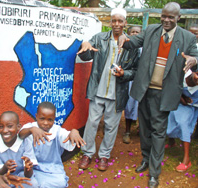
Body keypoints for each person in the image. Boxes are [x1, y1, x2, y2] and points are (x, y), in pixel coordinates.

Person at [118, 2, 198, 188]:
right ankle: (146, 160)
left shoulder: (187, 37)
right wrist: (124, 38)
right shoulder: (152, 30)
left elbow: (195, 55)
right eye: (164, 16)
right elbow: (133, 42)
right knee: (145, 130)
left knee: (158, 132)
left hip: (165, 93)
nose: (166, 20)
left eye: (171, 17)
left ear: (178, 18)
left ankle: (154, 172)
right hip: (145, 90)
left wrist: (194, 59)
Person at [76, 8, 140, 171]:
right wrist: (84, 44)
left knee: (112, 126)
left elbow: (135, 70)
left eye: (120, 21)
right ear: (110, 22)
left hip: (117, 94)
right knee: (92, 123)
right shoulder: (100, 38)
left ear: (125, 23)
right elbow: (85, 56)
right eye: (114, 20)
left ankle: (104, 155)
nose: (116, 24)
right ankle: (87, 153)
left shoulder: (131, 45)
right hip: (98, 91)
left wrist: (124, 73)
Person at [19, 101, 86, 188]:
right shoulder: (31, 127)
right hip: (33, 169)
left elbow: (67, 135)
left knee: (60, 183)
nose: (46, 123)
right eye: (42, 118)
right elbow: (21, 134)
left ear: (54, 119)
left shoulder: (57, 131)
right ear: (36, 116)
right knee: (30, 183)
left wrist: (74, 131)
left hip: (52, 169)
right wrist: (31, 129)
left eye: (50, 120)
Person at [0, 111, 39, 188]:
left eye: (9, 126)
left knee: (33, 184)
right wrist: (5, 167)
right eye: (1, 127)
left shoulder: (25, 142)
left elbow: (28, 175)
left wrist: (27, 167)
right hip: (4, 178)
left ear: (18, 127)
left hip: (21, 175)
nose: (5, 130)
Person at [123, 26, 142, 144]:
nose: (135, 34)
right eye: (132, 32)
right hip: (130, 80)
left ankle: (141, 128)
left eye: (137, 32)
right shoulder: (126, 47)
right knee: (130, 104)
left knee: (142, 105)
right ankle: (127, 131)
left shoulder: (146, 47)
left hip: (142, 80)